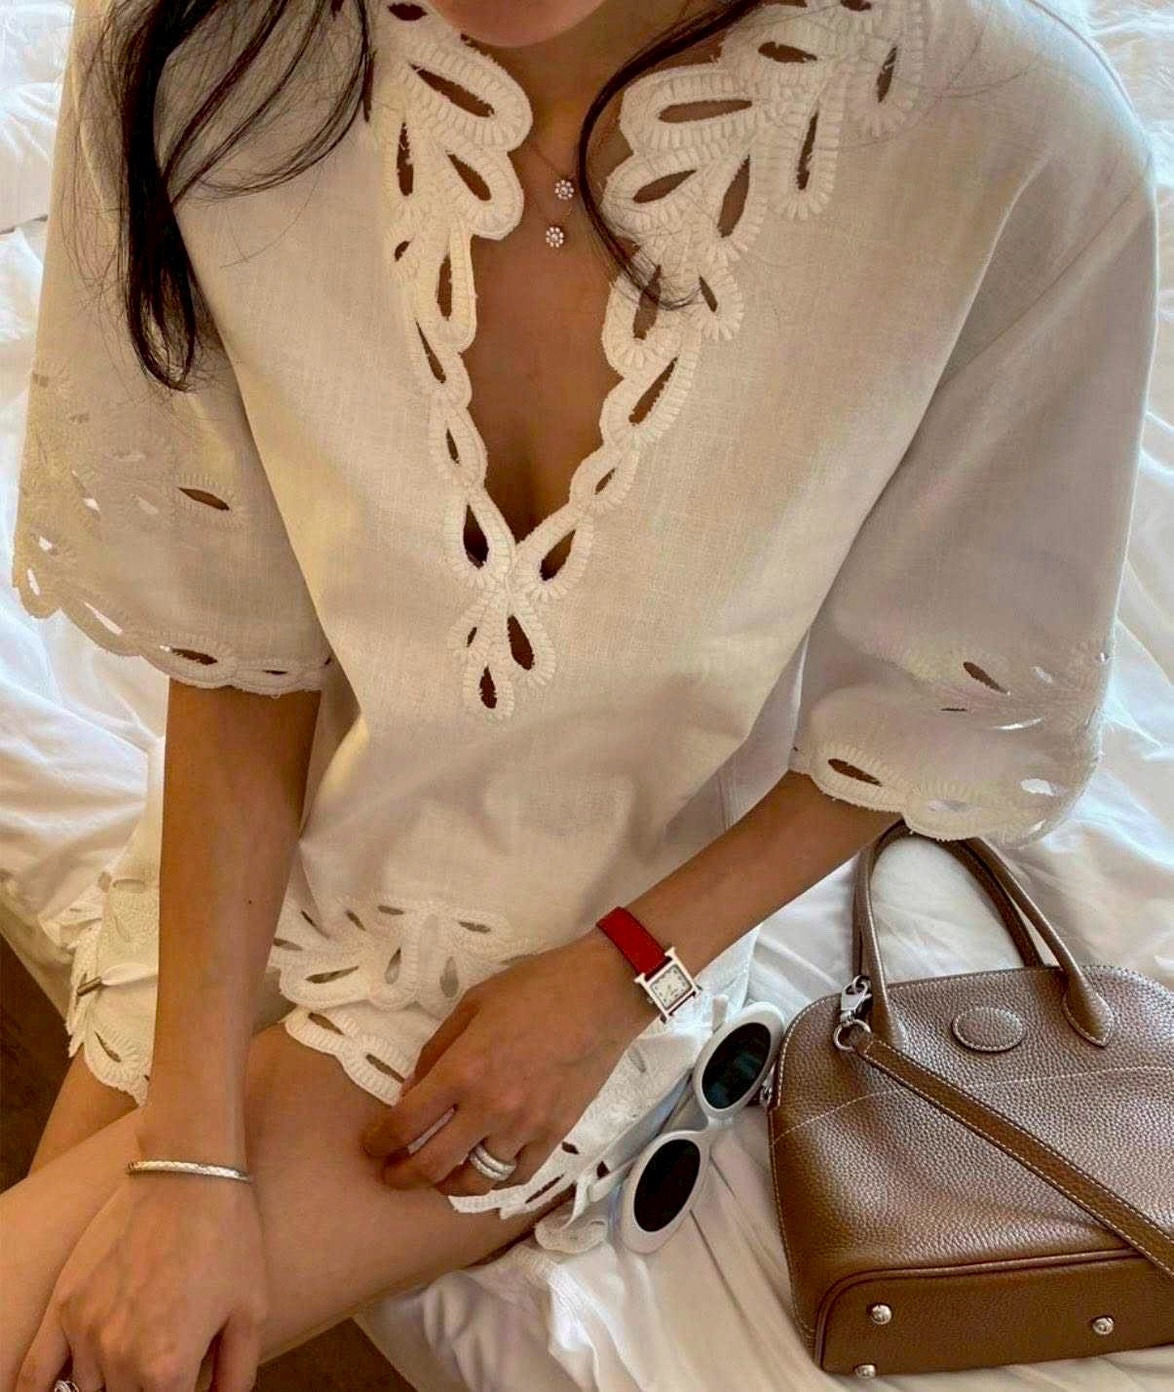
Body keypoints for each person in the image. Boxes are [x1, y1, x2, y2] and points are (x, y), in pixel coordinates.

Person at [1, 0, 1158, 1387]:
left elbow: (931, 713)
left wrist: (623, 975)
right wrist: (190, 1155)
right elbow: (239, 651)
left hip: (593, 920)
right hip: (265, 857)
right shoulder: (199, 49)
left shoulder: (1008, 130)